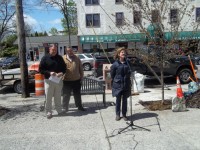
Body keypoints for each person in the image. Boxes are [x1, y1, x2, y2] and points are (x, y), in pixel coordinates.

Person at [39, 44, 66, 119]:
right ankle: (49, 111)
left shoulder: (60, 58)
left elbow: (64, 68)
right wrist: (49, 73)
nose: (54, 51)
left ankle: (59, 110)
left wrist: (62, 73)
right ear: (49, 49)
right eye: (53, 50)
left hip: (58, 80)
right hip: (49, 80)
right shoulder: (45, 58)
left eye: (55, 50)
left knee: (58, 96)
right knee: (48, 97)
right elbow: (41, 70)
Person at [110, 47, 131, 121]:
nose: (123, 53)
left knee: (125, 100)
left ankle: (124, 114)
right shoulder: (115, 64)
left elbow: (130, 72)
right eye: (122, 52)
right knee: (118, 100)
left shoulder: (128, 63)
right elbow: (112, 75)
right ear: (119, 54)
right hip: (118, 85)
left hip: (126, 84)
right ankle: (118, 114)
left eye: (124, 52)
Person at [62, 47, 86, 112]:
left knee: (77, 94)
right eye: (69, 51)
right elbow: (61, 69)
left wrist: (82, 76)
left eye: (71, 51)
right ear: (66, 52)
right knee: (66, 95)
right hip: (66, 81)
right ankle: (65, 107)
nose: (71, 52)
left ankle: (79, 106)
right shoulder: (63, 58)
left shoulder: (77, 58)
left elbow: (80, 68)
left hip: (76, 80)